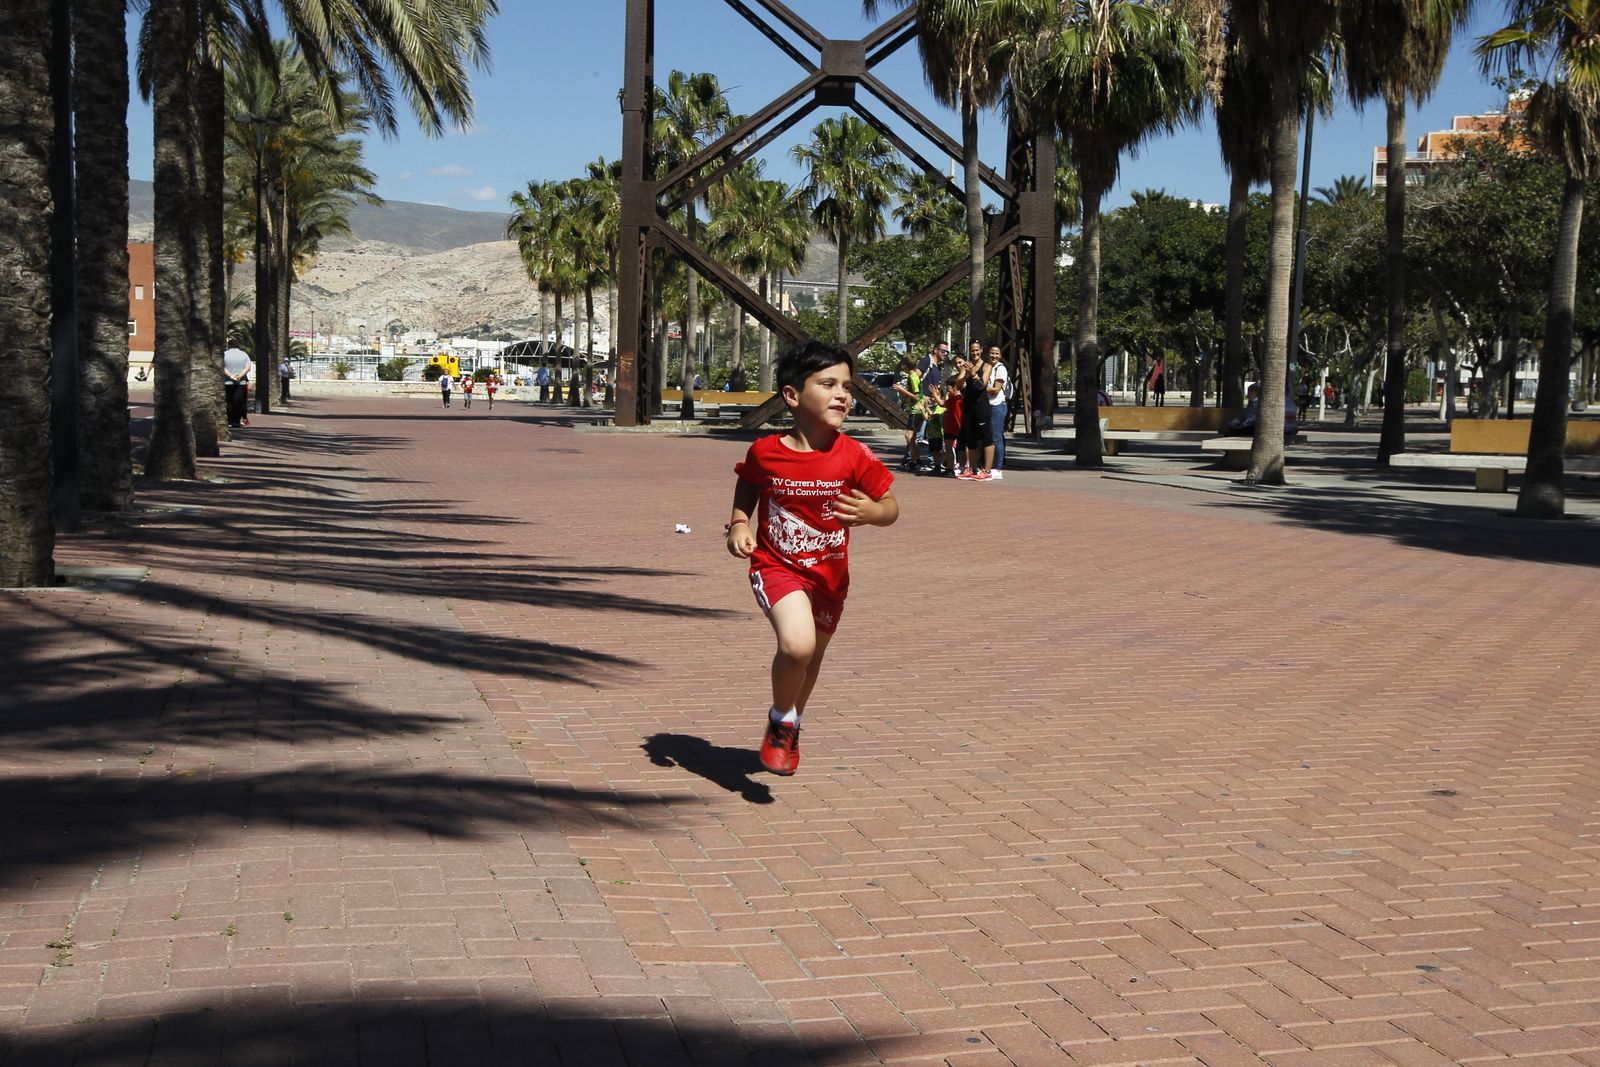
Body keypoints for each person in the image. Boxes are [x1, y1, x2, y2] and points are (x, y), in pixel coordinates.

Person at [726, 340, 900, 777]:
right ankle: (782, 717)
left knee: (811, 658)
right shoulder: (766, 451)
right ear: (792, 396)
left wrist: (874, 513)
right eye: (828, 384)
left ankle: (789, 724)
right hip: (776, 566)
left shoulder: (854, 454)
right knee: (796, 645)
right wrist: (739, 522)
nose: (842, 394)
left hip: (830, 577)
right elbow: (749, 482)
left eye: (847, 385)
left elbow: (891, 506)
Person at [957, 348, 994, 480]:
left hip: (981, 405)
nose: (975, 353)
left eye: (977, 350)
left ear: (981, 350)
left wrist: (973, 374)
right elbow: (959, 384)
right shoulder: (966, 365)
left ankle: (987, 470)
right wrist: (966, 375)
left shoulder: (987, 366)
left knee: (986, 437)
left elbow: (981, 385)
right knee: (970, 437)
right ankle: (972, 469)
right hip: (968, 405)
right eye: (972, 350)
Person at [890, 353, 924, 470]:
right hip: (913, 410)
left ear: (904, 366)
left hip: (916, 410)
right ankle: (916, 460)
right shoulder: (912, 376)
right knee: (911, 437)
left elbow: (916, 396)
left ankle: (916, 460)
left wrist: (902, 390)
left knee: (909, 436)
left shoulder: (913, 377)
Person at [984, 342, 1009, 481]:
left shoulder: (1000, 369)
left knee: (996, 437)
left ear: (1000, 355)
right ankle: (994, 463)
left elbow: (996, 389)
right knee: (994, 436)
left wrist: (980, 387)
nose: (994, 355)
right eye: (992, 353)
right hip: (989, 405)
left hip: (997, 405)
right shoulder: (988, 367)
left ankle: (998, 468)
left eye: (996, 353)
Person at [941, 360, 964, 475]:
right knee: (949, 447)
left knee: (960, 448)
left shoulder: (959, 400)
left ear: (955, 388)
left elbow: (943, 404)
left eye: (949, 388)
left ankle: (963, 466)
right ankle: (950, 468)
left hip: (958, 427)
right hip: (949, 427)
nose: (947, 390)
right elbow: (943, 403)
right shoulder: (950, 400)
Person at [223, 345, 251, 427]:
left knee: (229, 402)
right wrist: (240, 376)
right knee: (238, 402)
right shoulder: (244, 354)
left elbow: (222, 367)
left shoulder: (224, 354)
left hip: (228, 382)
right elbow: (248, 367)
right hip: (240, 383)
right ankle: (236, 421)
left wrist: (231, 376)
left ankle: (229, 421)